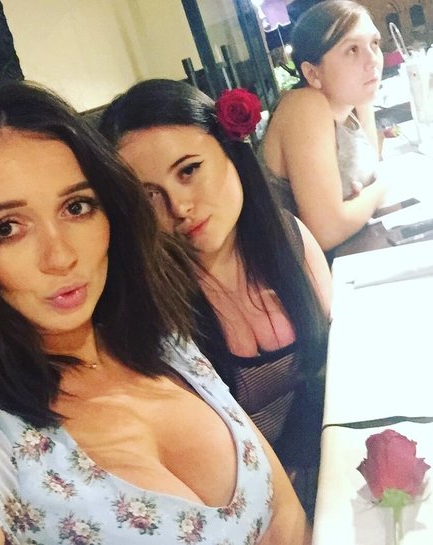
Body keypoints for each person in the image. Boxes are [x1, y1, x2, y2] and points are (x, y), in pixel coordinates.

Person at [0, 82, 312, 545]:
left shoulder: (164, 340)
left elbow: (283, 513)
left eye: (76, 206)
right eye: (6, 228)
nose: (61, 256)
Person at [99, 78, 332, 518]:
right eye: (149, 195)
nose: (179, 207)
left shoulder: (290, 240)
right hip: (257, 513)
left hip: (329, 464)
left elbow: (329, 373)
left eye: (188, 170)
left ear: (230, 150)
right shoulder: (154, 314)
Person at [259, 0, 387, 251]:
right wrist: (381, 189)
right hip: (294, 270)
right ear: (312, 73)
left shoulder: (353, 102)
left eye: (374, 43)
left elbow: (371, 173)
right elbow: (327, 231)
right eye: (352, 49)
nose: (372, 59)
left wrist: (366, 197)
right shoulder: (304, 105)